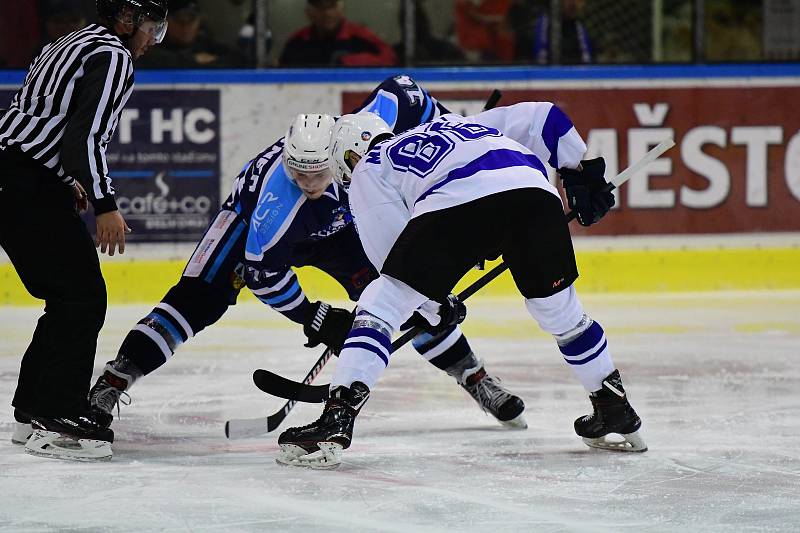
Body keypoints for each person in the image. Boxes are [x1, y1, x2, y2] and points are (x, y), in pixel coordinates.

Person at [87, 75, 527, 437]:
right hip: (247, 226)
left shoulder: (365, 133)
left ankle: (475, 377)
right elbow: (264, 275)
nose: (308, 181)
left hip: (338, 229)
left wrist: (455, 127)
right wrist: (316, 318)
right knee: (197, 298)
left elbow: (403, 89)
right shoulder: (280, 206)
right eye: (297, 171)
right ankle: (113, 380)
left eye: (317, 171)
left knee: (404, 290)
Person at [276, 102, 646, 469]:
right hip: (535, 194)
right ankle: (613, 405)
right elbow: (545, 117)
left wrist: (434, 308)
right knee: (561, 312)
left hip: (458, 202)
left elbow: (391, 263)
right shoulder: (453, 124)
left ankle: (337, 418)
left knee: (382, 302)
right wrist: (579, 171)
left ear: (350, 156)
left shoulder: (369, 168)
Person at [0, 0, 168, 461]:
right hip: (23, 183)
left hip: (16, 178)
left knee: (68, 297)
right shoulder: (113, 55)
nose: (153, 40)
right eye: (152, 27)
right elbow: (84, 137)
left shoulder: (72, 40)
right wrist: (105, 204)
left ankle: (32, 412)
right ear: (127, 20)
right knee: (81, 297)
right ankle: (57, 418)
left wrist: (66, 180)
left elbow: (44, 122)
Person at [280, 0, 396, 67]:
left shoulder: (361, 37)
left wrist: (352, 61)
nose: (327, 13)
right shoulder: (297, 42)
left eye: (332, 6)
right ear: (308, 13)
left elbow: (390, 58)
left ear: (342, 9)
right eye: (320, 8)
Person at [137, 0, 247, 69]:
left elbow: (240, 59)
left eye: (191, 20)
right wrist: (193, 60)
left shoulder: (207, 44)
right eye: (179, 20)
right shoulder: (152, 43)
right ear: (166, 22)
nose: (185, 27)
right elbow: (146, 60)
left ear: (199, 20)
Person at [532, 0, 594, 64]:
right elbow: (540, 59)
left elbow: (586, 58)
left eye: (579, 1)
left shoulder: (579, 26)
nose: (573, 4)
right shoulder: (545, 21)